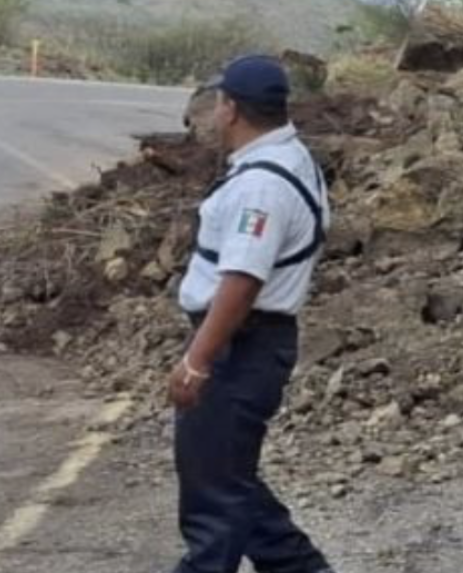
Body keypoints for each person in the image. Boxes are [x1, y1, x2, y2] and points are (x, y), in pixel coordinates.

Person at [169, 55, 334, 573]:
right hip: (253, 343)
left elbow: (242, 281)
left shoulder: (261, 185)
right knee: (230, 480)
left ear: (232, 109)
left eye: (218, 104)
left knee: (213, 499)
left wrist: (198, 361)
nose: (215, 114)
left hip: (241, 348)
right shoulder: (289, 156)